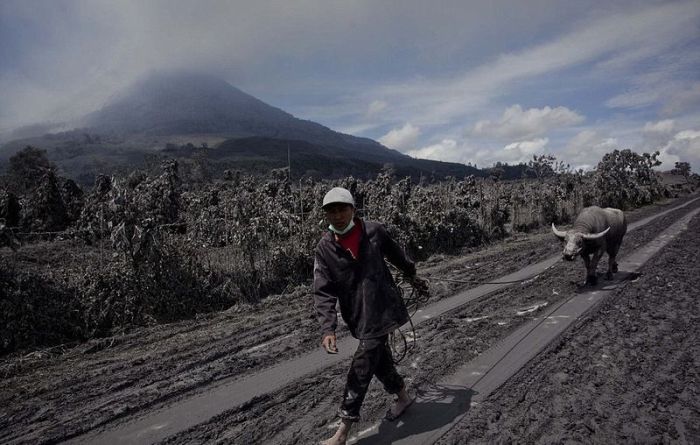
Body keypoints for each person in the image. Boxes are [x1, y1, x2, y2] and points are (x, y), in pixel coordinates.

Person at [313, 187, 427, 445]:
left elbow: (399, 258)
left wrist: (412, 274)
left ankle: (343, 430)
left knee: (362, 366)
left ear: (353, 209)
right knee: (379, 360)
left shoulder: (374, 231)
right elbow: (323, 292)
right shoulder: (324, 249)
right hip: (358, 315)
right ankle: (403, 397)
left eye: (343, 209)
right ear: (326, 215)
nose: (338, 215)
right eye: (332, 211)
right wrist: (328, 329)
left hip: (384, 308)